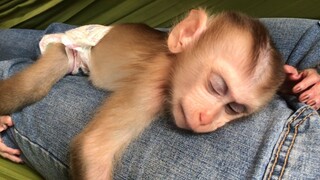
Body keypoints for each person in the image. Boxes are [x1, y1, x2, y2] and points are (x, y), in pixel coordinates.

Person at [0, 17, 319, 180]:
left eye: (235, 108)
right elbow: (93, 148)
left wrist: (287, 86)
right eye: (216, 86)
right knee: (30, 88)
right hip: (77, 52)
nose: (208, 118)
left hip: (124, 38)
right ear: (185, 36)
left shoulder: (195, 67)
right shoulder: (154, 84)